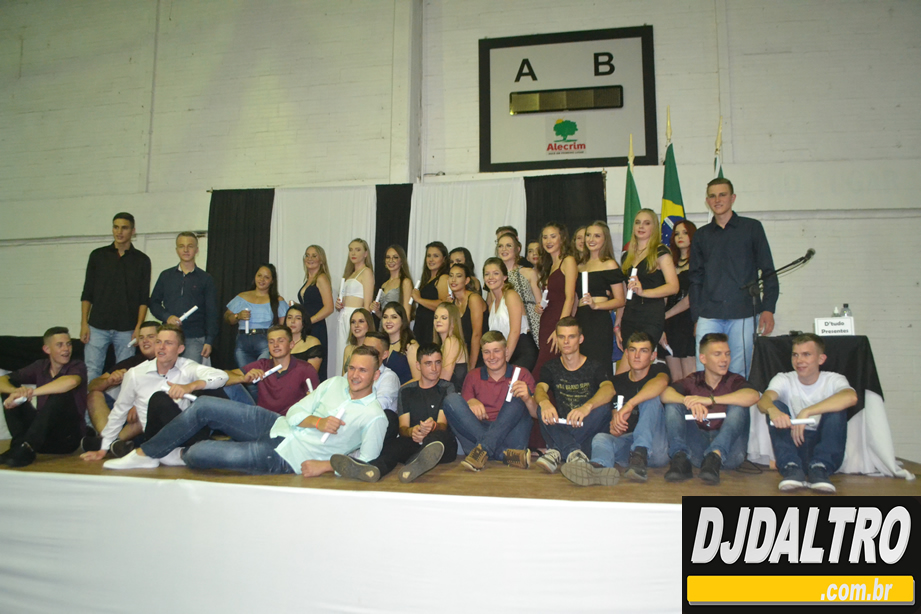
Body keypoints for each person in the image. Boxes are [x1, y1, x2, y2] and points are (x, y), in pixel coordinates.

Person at [100, 346, 388, 476]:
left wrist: (324, 466)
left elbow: (366, 462)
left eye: (363, 370)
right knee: (204, 405)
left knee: (198, 454)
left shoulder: (374, 416)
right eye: (351, 367)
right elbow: (294, 412)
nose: (354, 375)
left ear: (376, 375)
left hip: (288, 457)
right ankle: (146, 453)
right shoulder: (334, 383)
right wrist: (318, 421)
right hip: (275, 424)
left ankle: (175, 452)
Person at [80, 324, 229, 462]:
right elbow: (119, 411)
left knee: (208, 394)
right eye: (158, 342)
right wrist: (103, 449)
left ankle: (201, 447)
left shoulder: (187, 367)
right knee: (159, 399)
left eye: (168, 343)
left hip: (184, 433)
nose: (161, 347)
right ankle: (182, 451)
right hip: (156, 437)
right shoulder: (135, 374)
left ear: (180, 349)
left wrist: (190, 386)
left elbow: (221, 376)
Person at [690, 178, 778, 377]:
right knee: (705, 370)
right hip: (709, 314)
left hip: (743, 313)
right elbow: (696, 279)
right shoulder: (701, 235)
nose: (717, 200)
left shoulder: (752, 228)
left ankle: (737, 400)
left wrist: (768, 308)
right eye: (712, 196)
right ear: (707, 201)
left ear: (733, 198)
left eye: (722, 195)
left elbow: (768, 271)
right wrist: (696, 317)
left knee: (739, 371)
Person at [332, 344, 455, 484]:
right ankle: (372, 469)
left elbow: (442, 425)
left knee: (439, 437)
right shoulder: (406, 391)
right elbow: (403, 428)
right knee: (393, 445)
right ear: (418, 365)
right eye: (428, 363)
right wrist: (412, 431)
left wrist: (432, 426)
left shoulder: (447, 387)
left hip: (440, 445)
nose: (434, 368)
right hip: (413, 442)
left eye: (438, 363)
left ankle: (419, 461)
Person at [563, 332, 670, 486]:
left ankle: (640, 453)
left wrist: (630, 404)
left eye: (643, 351)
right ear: (626, 353)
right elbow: (614, 411)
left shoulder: (658, 370)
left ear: (653, 356)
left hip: (656, 446)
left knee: (650, 397)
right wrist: (615, 425)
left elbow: (661, 383)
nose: (637, 356)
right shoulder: (617, 381)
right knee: (601, 438)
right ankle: (598, 468)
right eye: (632, 350)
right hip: (630, 450)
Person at [757, 333, 857, 493]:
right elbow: (764, 400)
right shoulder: (783, 379)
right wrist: (772, 410)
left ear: (821, 359)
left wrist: (807, 412)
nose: (799, 361)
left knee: (837, 409)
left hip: (823, 444)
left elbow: (851, 397)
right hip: (794, 445)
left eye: (806, 355)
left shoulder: (834, 379)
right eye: (795, 355)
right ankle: (791, 467)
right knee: (775, 405)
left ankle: (820, 468)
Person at [660, 332, 760, 485]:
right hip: (697, 452)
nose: (724, 359)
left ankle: (715, 455)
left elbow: (754, 396)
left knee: (739, 405)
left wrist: (710, 400)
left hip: (729, 455)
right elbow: (665, 394)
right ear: (703, 358)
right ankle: (680, 459)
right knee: (674, 404)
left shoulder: (734, 380)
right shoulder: (693, 380)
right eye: (717, 354)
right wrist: (688, 401)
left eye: (727, 354)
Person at [532, 318, 615, 474]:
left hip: (586, 427)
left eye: (571, 336)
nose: (566, 341)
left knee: (604, 408)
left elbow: (609, 389)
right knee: (541, 407)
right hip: (562, 426)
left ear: (580, 339)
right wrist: (545, 402)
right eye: (562, 337)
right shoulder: (551, 367)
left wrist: (586, 407)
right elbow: (540, 389)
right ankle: (573, 452)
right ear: (557, 339)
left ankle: (557, 451)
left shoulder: (594, 366)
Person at [444, 331, 536, 471]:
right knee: (451, 399)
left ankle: (484, 449)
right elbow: (462, 413)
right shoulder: (473, 376)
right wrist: (470, 401)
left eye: (496, 351)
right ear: (482, 354)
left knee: (519, 395)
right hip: (480, 431)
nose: (491, 357)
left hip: (511, 435)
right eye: (487, 352)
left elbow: (536, 414)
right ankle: (503, 454)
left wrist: (528, 398)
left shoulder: (521, 374)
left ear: (506, 351)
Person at [80, 212, 152, 383]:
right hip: (97, 326)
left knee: (124, 373)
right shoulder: (98, 256)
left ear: (133, 231)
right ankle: (90, 402)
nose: (119, 232)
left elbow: (143, 298)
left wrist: (138, 327)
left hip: (127, 328)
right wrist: (84, 323)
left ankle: (120, 403)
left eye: (124, 228)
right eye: (116, 227)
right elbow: (87, 292)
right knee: (92, 369)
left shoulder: (142, 260)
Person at [0, 327, 87, 467]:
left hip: (66, 439)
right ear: (47, 349)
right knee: (8, 388)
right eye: (60, 345)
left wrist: (30, 393)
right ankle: (19, 445)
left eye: (69, 344)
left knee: (61, 394)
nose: (66, 349)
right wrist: (15, 392)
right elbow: (2, 380)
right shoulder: (40, 365)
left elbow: (71, 382)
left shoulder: (77, 365)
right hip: (41, 435)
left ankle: (27, 447)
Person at [616, 209, 678, 372]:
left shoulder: (660, 252)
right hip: (630, 316)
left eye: (646, 223)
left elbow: (673, 286)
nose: (641, 226)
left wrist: (644, 292)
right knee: (635, 369)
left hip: (650, 316)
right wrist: (618, 322)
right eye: (637, 223)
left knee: (630, 366)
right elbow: (625, 293)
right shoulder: (627, 256)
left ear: (654, 227)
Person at [83, 320, 160, 450]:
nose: (145, 341)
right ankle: (113, 442)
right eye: (141, 337)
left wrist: (139, 404)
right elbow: (91, 386)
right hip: (124, 419)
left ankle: (107, 443)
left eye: (150, 336)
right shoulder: (132, 362)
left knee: (149, 407)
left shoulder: (168, 361)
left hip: (145, 424)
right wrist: (109, 381)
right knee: (94, 395)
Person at [148, 232, 218, 363]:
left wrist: (209, 341)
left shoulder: (206, 279)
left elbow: (212, 312)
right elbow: (153, 303)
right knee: (167, 371)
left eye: (190, 246)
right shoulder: (166, 276)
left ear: (197, 250)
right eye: (181, 246)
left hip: (195, 337)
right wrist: (167, 317)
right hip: (169, 336)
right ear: (176, 250)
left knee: (189, 373)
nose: (186, 250)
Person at [222, 325, 319, 415]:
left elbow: (319, 403)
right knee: (228, 383)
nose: (275, 345)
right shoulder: (262, 365)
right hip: (262, 418)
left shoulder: (305, 369)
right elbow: (223, 375)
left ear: (291, 344)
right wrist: (243, 378)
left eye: (280, 341)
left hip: (288, 421)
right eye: (271, 342)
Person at [576, 221, 626, 371]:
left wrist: (597, 305)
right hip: (581, 318)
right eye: (588, 235)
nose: (591, 239)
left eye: (597, 236)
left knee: (599, 364)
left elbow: (620, 300)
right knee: (582, 364)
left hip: (599, 320)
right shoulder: (580, 266)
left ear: (605, 239)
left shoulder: (609, 264)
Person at [533, 222, 577, 380]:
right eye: (545, 237)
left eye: (553, 236)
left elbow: (570, 298)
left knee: (543, 369)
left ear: (562, 238)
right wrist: (540, 306)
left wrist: (560, 329)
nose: (548, 241)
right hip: (546, 321)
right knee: (550, 368)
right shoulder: (549, 265)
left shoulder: (568, 261)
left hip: (558, 322)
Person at [225, 264, 287, 369]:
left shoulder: (277, 300)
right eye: (259, 275)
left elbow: (283, 327)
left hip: (266, 341)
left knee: (261, 373)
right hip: (243, 341)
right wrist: (238, 316)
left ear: (272, 281)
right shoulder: (242, 296)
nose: (262, 280)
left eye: (266, 277)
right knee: (247, 375)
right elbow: (227, 318)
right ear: (255, 277)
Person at [484, 258, 537, 372]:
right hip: (504, 351)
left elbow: (515, 331)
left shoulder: (511, 295)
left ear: (504, 277)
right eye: (487, 274)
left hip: (521, 350)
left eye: (495, 273)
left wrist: (504, 362)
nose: (491, 277)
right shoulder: (492, 305)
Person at [662, 220, 698, 381]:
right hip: (669, 323)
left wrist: (666, 315)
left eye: (685, 233)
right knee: (676, 378)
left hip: (687, 321)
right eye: (676, 234)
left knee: (690, 377)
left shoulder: (698, 264)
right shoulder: (669, 263)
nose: (680, 237)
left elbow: (691, 299)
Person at [335, 238, 375, 377]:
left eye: (357, 250)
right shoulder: (349, 273)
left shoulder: (366, 272)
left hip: (355, 317)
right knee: (343, 351)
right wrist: (339, 305)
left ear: (365, 253)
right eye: (351, 250)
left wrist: (363, 322)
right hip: (344, 316)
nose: (353, 253)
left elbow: (367, 304)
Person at [497, 232, 542, 349]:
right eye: (500, 246)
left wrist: (539, 307)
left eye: (508, 245)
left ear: (517, 249)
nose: (504, 249)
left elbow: (540, 303)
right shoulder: (495, 277)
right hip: (506, 324)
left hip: (530, 326)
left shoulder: (529, 272)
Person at [297, 245, 334, 381]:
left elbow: (329, 307)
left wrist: (309, 321)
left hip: (316, 328)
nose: (310, 258)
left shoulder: (321, 278)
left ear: (321, 260)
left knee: (315, 369)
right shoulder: (308, 280)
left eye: (314, 255)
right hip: (307, 328)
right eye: (307, 255)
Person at [411, 241, 450, 343]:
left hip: (432, 328)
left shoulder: (443, 278)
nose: (431, 259)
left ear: (444, 259)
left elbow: (443, 305)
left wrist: (419, 299)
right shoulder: (426, 279)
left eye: (436, 256)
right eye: (429, 256)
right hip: (421, 326)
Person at [449, 262, 485, 370]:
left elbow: (477, 334)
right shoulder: (453, 303)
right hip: (463, 354)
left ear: (467, 280)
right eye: (451, 275)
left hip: (481, 354)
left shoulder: (473, 299)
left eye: (458, 276)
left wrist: (471, 366)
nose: (453, 280)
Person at [361, 332, 401, 414]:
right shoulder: (352, 373)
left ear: (385, 354)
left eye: (372, 350)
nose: (366, 353)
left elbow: (378, 406)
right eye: (364, 348)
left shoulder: (389, 377)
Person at [380, 302, 420, 382]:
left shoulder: (411, 345)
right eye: (385, 317)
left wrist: (397, 389)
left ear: (402, 320)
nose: (388, 321)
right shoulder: (381, 344)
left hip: (405, 389)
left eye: (394, 317)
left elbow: (418, 378)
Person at [434, 302, 468, 392]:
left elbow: (445, 378)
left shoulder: (451, 341)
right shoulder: (446, 343)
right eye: (436, 317)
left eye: (444, 318)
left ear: (453, 322)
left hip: (455, 395)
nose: (438, 320)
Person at [372, 245, 413, 320]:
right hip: (384, 325)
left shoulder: (405, 282)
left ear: (402, 261)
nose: (391, 260)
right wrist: (377, 311)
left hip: (398, 326)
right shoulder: (384, 284)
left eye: (395, 257)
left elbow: (406, 314)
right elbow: (384, 317)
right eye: (388, 257)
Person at [284, 303, 324, 375]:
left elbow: (311, 374)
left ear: (304, 322)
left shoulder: (313, 342)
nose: (293, 321)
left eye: (298, 318)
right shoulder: (280, 342)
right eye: (289, 317)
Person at [341, 308, 374, 374]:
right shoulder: (348, 349)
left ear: (369, 324)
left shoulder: (374, 349)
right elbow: (343, 377)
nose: (356, 325)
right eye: (353, 322)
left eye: (361, 321)